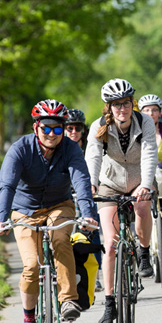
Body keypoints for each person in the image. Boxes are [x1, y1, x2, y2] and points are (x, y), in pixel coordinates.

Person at [0, 99, 98, 323]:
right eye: (46, 128)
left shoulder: (70, 149)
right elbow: (7, 186)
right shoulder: (20, 149)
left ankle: (68, 300)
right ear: (35, 127)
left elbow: (82, 182)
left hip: (59, 205)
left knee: (61, 240)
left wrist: (88, 214)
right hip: (24, 210)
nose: (52, 134)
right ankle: (28, 322)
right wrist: (0, 218)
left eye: (58, 128)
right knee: (30, 265)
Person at [85, 78, 158, 323]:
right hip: (110, 183)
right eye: (116, 105)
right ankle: (109, 303)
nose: (122, 109)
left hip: (140, 180)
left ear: (132, 103)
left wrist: (146, 185)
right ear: (109, 107)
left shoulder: (145, 122)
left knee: (142, 207)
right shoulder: (99, 126)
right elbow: (93, 156)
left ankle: (144, 251)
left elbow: (149, 153)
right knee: (111, 242)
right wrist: (91, 185)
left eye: (126, 103)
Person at [64, 108, 103, 293]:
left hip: (87, 193)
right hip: (65, 194)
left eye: (77, 128)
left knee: (92, 232)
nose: (73, 132)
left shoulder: (90, 147)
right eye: (69, 128)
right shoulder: (60, 146)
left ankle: (95, 275)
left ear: (83, 130)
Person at [138, 94, 162, 271]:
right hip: (142, 179)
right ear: (140, 113)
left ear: (160, 113)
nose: (150, 113)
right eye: (146, 110)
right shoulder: (135, 131)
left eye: (154, 110)